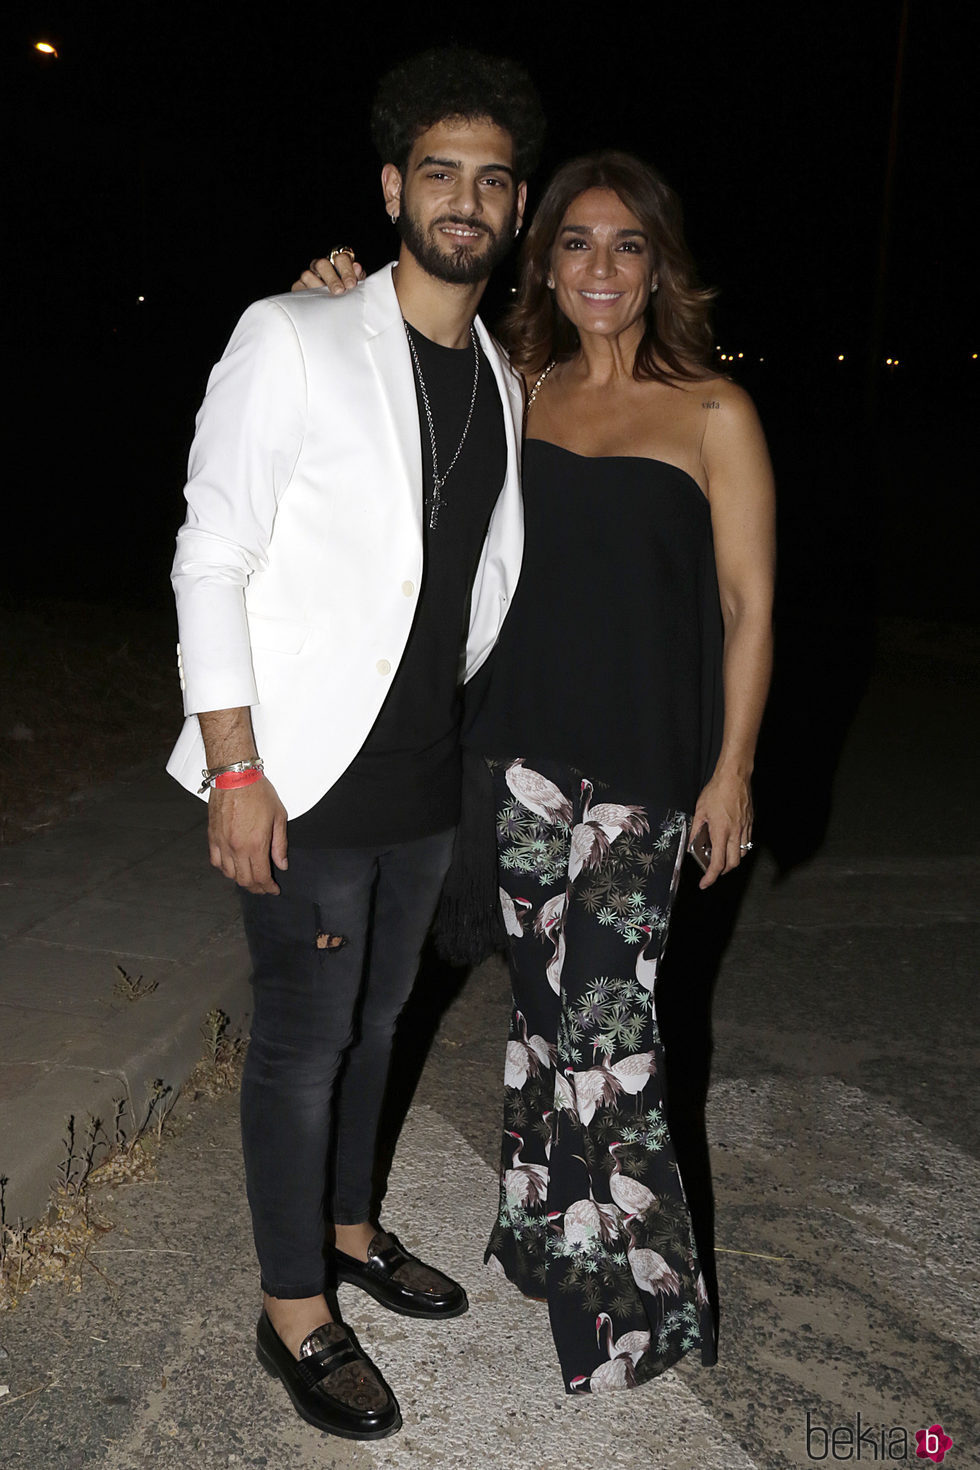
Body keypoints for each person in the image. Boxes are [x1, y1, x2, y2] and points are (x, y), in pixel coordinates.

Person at [303, 148, 775, 1394]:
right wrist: (333, 298)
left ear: (656, 263)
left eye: (625, 244)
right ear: (542, 259)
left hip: (645, 769)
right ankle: (533, 1230)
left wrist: (730, 772)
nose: (600, 266)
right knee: (539, 1007)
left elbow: (747, 605)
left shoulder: (714, 411)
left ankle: (640, 1308)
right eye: (575, 242)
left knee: (608, 1024)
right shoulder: (517, 387)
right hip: (513, 757)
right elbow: (387, 412)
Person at [167, 47, 544, 1439]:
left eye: (491, 180)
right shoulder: (297, 329)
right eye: (438, 172)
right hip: (304, 777)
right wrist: (237, 765)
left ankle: (348, 1224)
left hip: (424, 773)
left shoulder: (499, 372)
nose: (465, 199)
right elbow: (212, 555)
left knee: (383, 1021)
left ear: (514, 209)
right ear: (394, 187)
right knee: (303, 1041)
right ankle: (291, 1308)